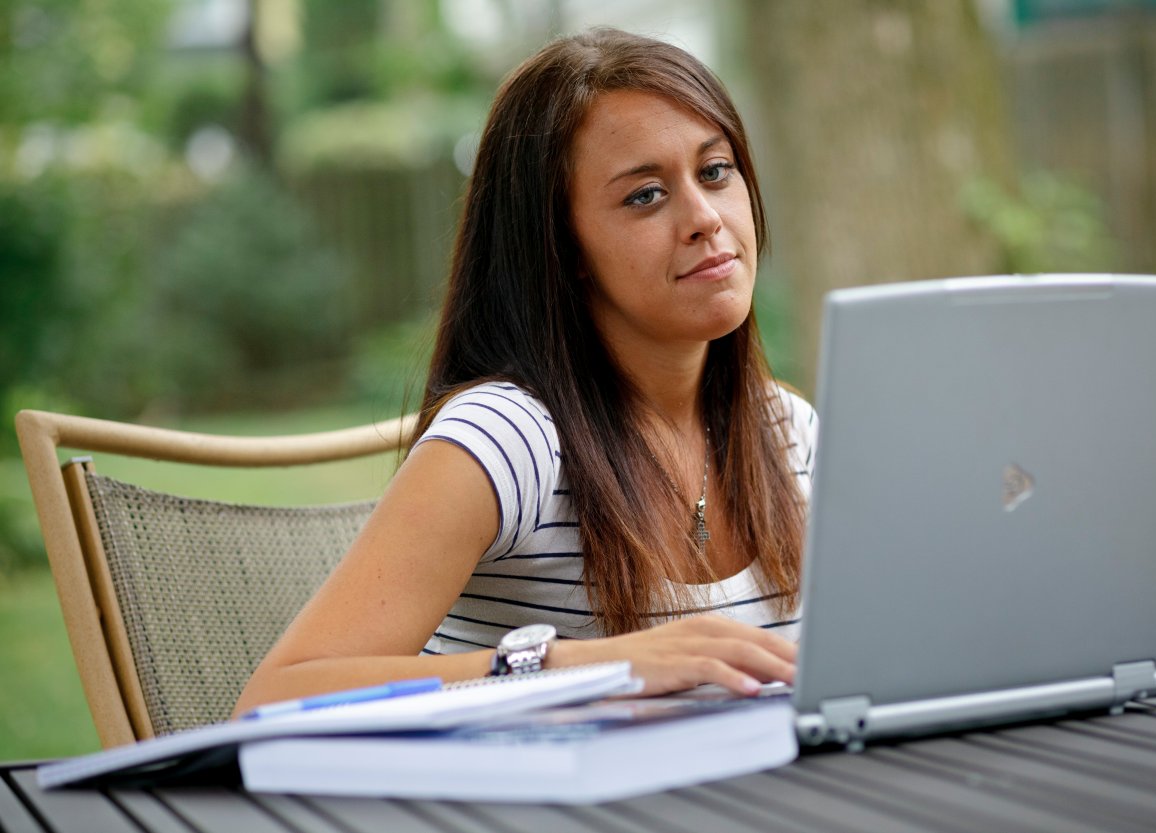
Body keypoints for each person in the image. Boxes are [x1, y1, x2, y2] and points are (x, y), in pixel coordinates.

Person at [233, 27, 816, 717]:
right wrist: (574, 664)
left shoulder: (790, 431)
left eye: (715, 172)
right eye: (645, 196)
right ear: (562, 246)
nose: (703, 218)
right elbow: (273, 698)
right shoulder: (510, 439)